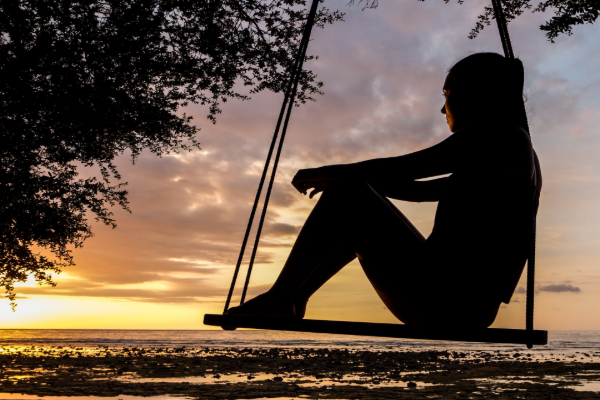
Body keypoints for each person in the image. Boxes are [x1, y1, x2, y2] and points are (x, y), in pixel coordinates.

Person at [227, 52, 542, 329]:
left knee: (348, 194)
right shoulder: (512, 153)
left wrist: (334, 175)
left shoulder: (499, 137)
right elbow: (418, 190)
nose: (442, 108)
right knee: (353, 201)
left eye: (447, 92)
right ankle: (293, 300)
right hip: (463, 305)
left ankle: (282, 298)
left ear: (474, 91)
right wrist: (353, 181)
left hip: (444, 300)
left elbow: (408, 167)